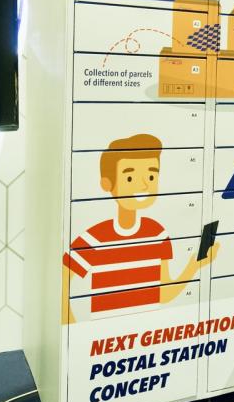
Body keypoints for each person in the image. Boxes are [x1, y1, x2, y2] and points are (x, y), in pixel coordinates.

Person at [62, 134, 219, 322]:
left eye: (151, 176)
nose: (144, 185)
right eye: (130, 177)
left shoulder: (157, 234)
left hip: (145, 329)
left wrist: (194, 266)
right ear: (107, 184)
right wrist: (73, 326)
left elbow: (162, 294)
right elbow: (62, 281)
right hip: (106, 332)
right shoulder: (95, 238)